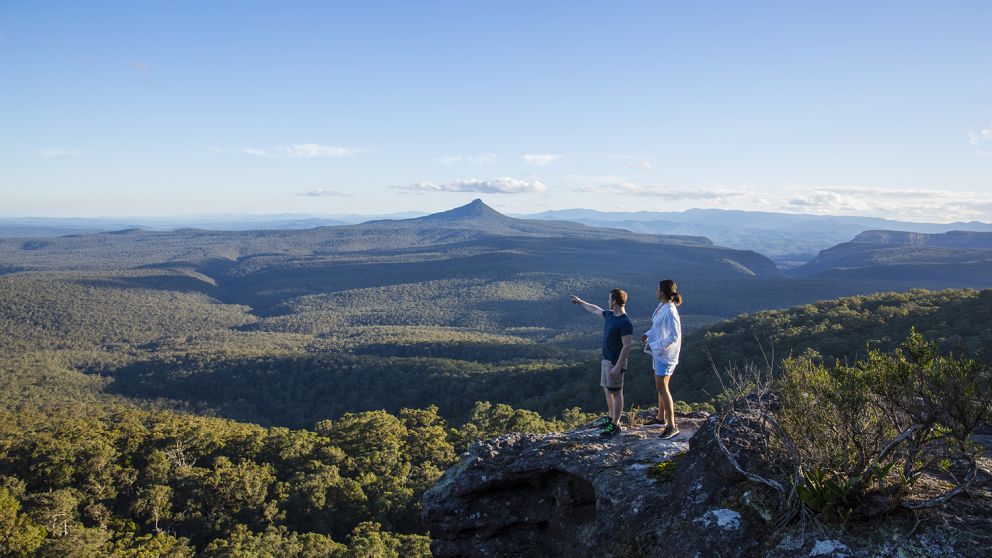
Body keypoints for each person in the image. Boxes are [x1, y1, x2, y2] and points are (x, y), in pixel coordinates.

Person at [570, 289, 633, 437]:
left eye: (609, 299)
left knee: (616, 392)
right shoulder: (610, 315)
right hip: (606, 359)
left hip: (614, 362)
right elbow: (595, 309)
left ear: (614, 302)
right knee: (607, 389)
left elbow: (627, 345)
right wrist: (580, 302)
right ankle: (611, 418)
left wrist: (618, 365)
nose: (607, 302)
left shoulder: (625, 322)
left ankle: (616, 425)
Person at [642, 279, 682, 439]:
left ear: (663, 292)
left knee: (663, 388)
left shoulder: (671, 311)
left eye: (657, 289)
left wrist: (655, 345)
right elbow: (657, 327)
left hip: (665, 355)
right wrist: (648, 335)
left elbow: (674, 336)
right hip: (659, 353)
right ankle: (660, 418)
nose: (656, 291)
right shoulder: (662, 307)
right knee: (660, 387)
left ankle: (672, 426)